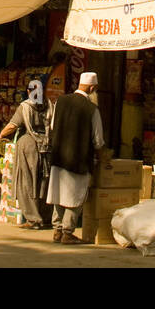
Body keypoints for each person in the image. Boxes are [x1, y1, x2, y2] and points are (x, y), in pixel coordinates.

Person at [45, 71, 105, 245]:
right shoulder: (91, 109)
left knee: (58, 193)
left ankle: (56, 230)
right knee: (75, 198)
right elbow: (98, 140)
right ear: (92, 88)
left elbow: (53, 126)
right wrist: (103, 159)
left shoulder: (61, 101)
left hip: (58, 157)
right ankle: (67, 232)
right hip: (78, 160)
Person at [0, 84, 52, 230]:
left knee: (26, 182)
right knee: (43, 181)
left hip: (28, 145)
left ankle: (33, 219)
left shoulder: (26, 106)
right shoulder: (49, 105)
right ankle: (45, 217)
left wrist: (1, 134)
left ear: (29, 91)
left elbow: (13, 125)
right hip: (46, 146)